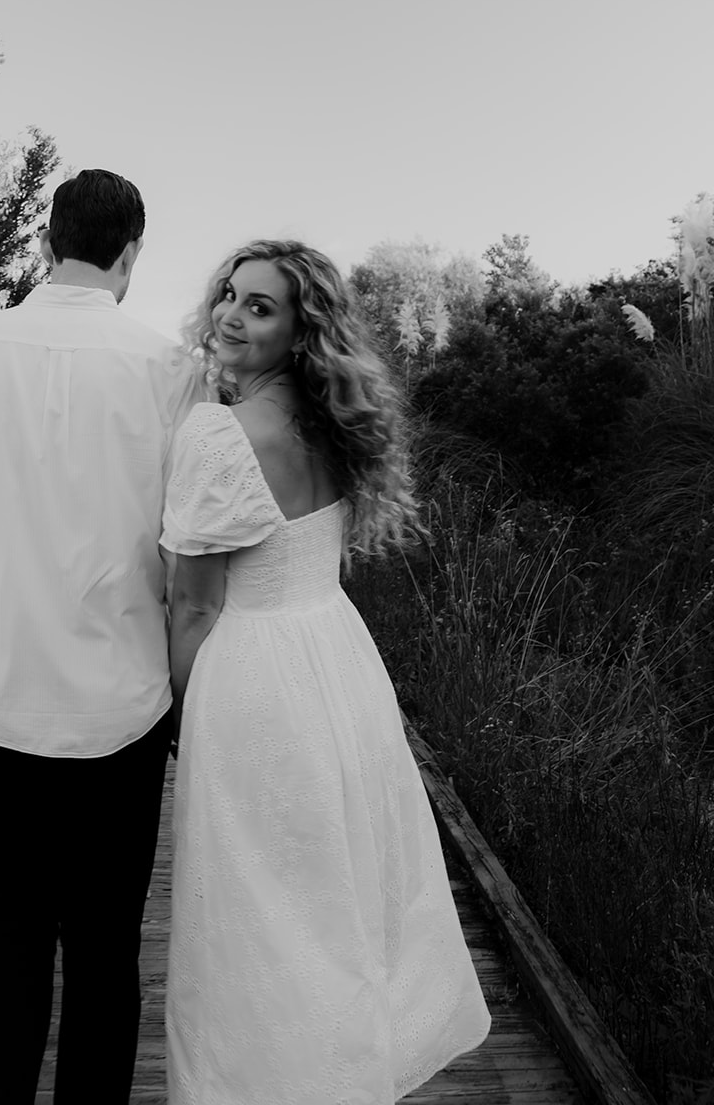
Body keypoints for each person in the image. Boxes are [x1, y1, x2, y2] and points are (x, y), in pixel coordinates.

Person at [0, 168, 200, 1105]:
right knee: (106, 944)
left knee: (11, 924)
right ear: (132, 252)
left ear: (45, 241)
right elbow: (189, 555)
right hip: (127, 700)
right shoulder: (168, 371)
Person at [163, 239, 491, 1105]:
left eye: (259, 305)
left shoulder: (218, 434)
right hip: (335, 663)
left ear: (300, 330)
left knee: (255, 904)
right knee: (330, 886)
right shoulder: (338, 425)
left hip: (253, 675)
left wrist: (178, 715)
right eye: (229, 295)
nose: (231, 314)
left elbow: (192, 606)